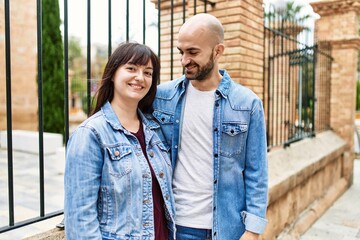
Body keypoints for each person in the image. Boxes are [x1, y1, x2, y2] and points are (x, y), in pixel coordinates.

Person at [152, 13, 268, 240]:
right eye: (181, 52)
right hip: (175, 227)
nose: (185, 60)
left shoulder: (247, 104)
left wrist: (253, 230)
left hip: (227, 229)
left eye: (193, 52)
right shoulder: (161, 98)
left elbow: (257, 171)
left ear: (218, 51)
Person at [64, 42, 175, 240]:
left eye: (148, 73)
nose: (140, 77)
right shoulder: (90, 134)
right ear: (113, 74)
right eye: (131, 68)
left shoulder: (155, 130)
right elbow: (81, 219)